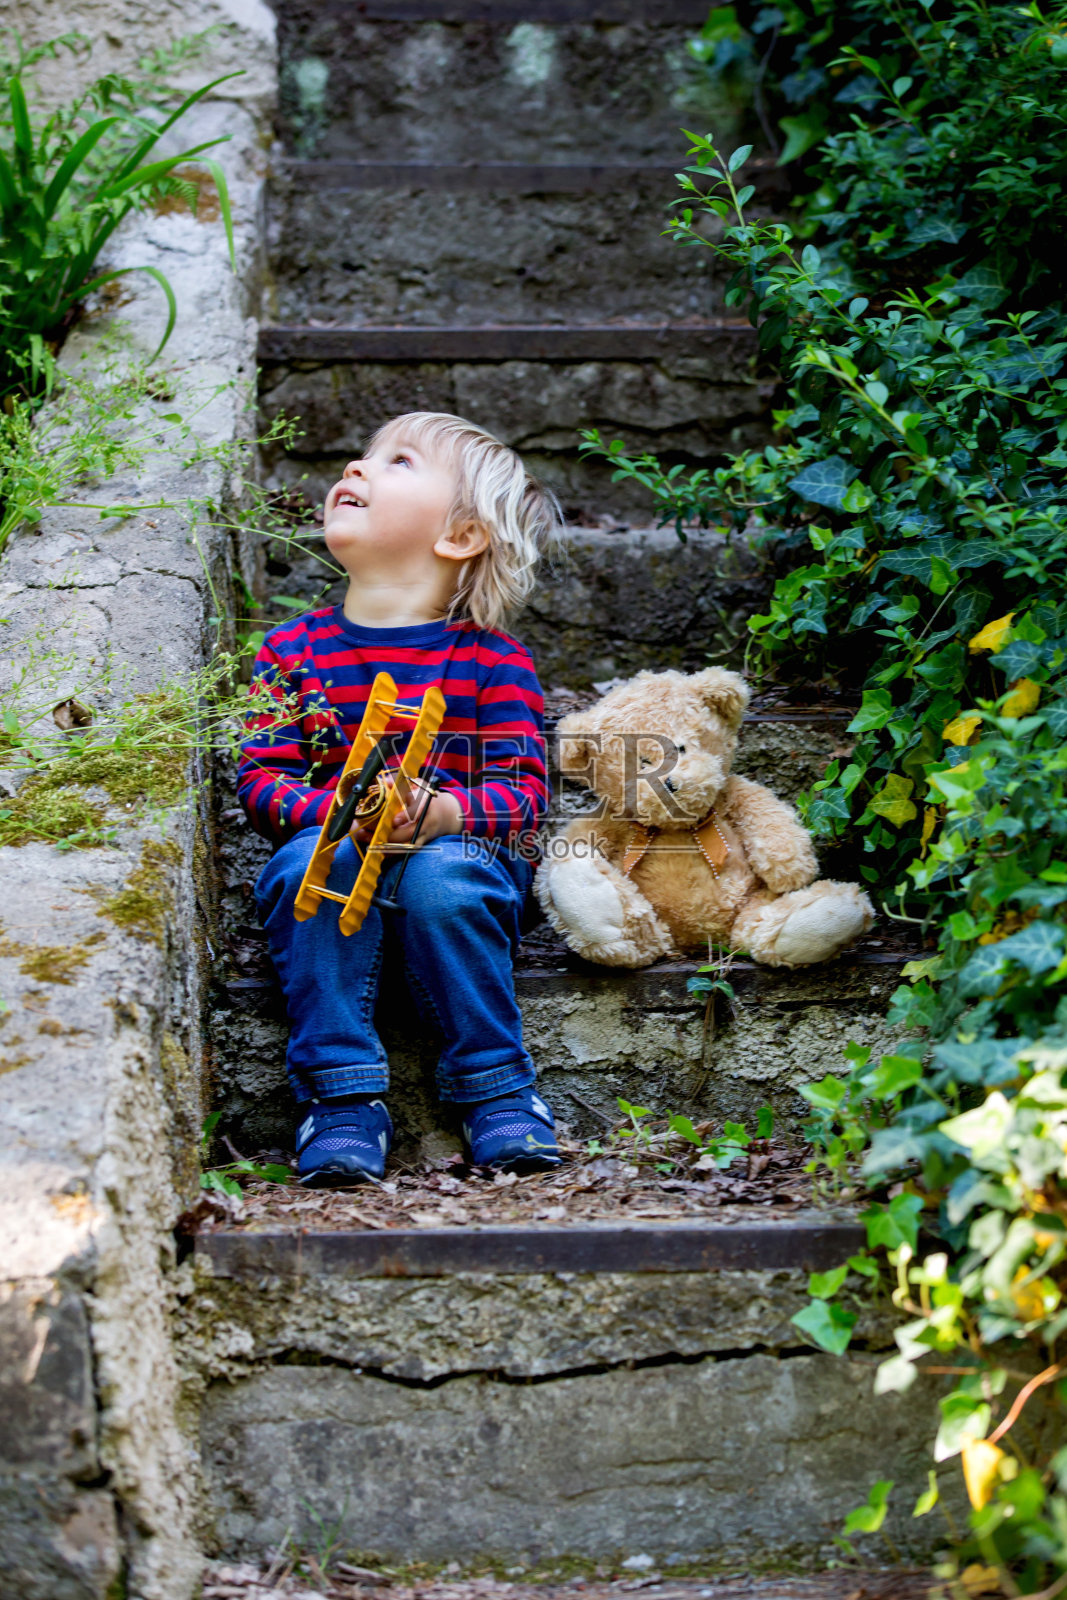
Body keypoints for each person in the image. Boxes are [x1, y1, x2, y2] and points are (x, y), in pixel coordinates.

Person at [238, 412, 563, 1187]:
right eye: (363, 455)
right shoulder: (291, 652)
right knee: (308, 872)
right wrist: (344, 811)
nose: (357, 464)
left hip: (458, 858)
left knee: (440, 878)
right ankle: (342, 1099)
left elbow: (522, 792)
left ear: (459, 535)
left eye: (398, 460)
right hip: (336, 853)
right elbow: (259, 781)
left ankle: (497, 1089)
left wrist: (444, 813)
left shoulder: (491, 661)